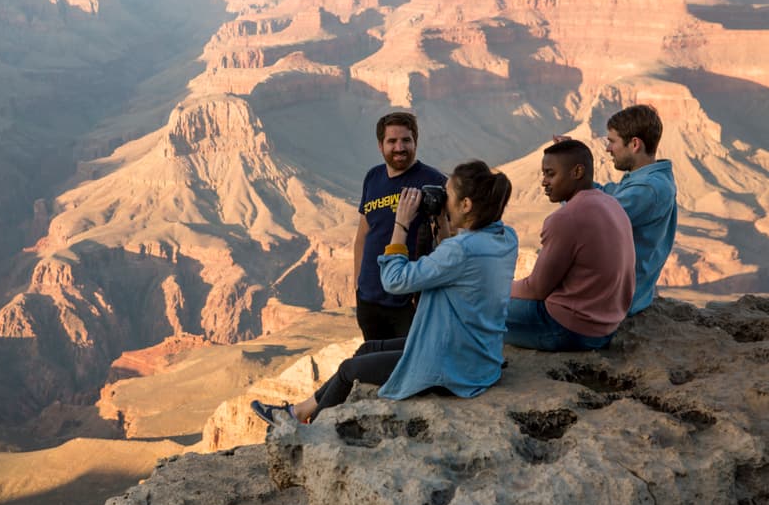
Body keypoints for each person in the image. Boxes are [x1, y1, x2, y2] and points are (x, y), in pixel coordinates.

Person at [252, 161, 516, 426]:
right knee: (367, 349)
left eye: (447, 195)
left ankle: (311, 432)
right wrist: (441, 223)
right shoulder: (506, 237)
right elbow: (452, 265)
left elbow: (394, 280)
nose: (443, 202)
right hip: (478, 355)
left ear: (466, 205)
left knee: (348, 370)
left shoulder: (461, 250)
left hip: (453, 366)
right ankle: (299, 412)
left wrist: (400, 224)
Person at [505, 140, 635, 351]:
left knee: (476, 306)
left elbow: (535, 289)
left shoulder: (566, 218)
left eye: (550, 174)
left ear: (577, 172)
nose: (544, 182)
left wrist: (497, 287)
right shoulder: (612, 204)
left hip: (569, 330)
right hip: (607, 326)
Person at [353, 111, 446, 341]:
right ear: (380, 145)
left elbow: (448, 240)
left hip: (409, 302)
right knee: (374, 359)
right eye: (392, 141)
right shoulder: (373, 178)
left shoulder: (434, 181)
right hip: (369, 300)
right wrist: (357, 286)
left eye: (406, 140)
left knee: (408, 359)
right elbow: (363, 235)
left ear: (415, 141)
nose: (399, 148)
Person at [600, 104, 677, 315]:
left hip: (614, 301)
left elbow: (593, 217)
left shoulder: (647, 189)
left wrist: (567, 177)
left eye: (612, 141)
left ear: (634, 144)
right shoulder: (646, 180)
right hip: (624, 295)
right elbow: (603, 195)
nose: (608, 149)